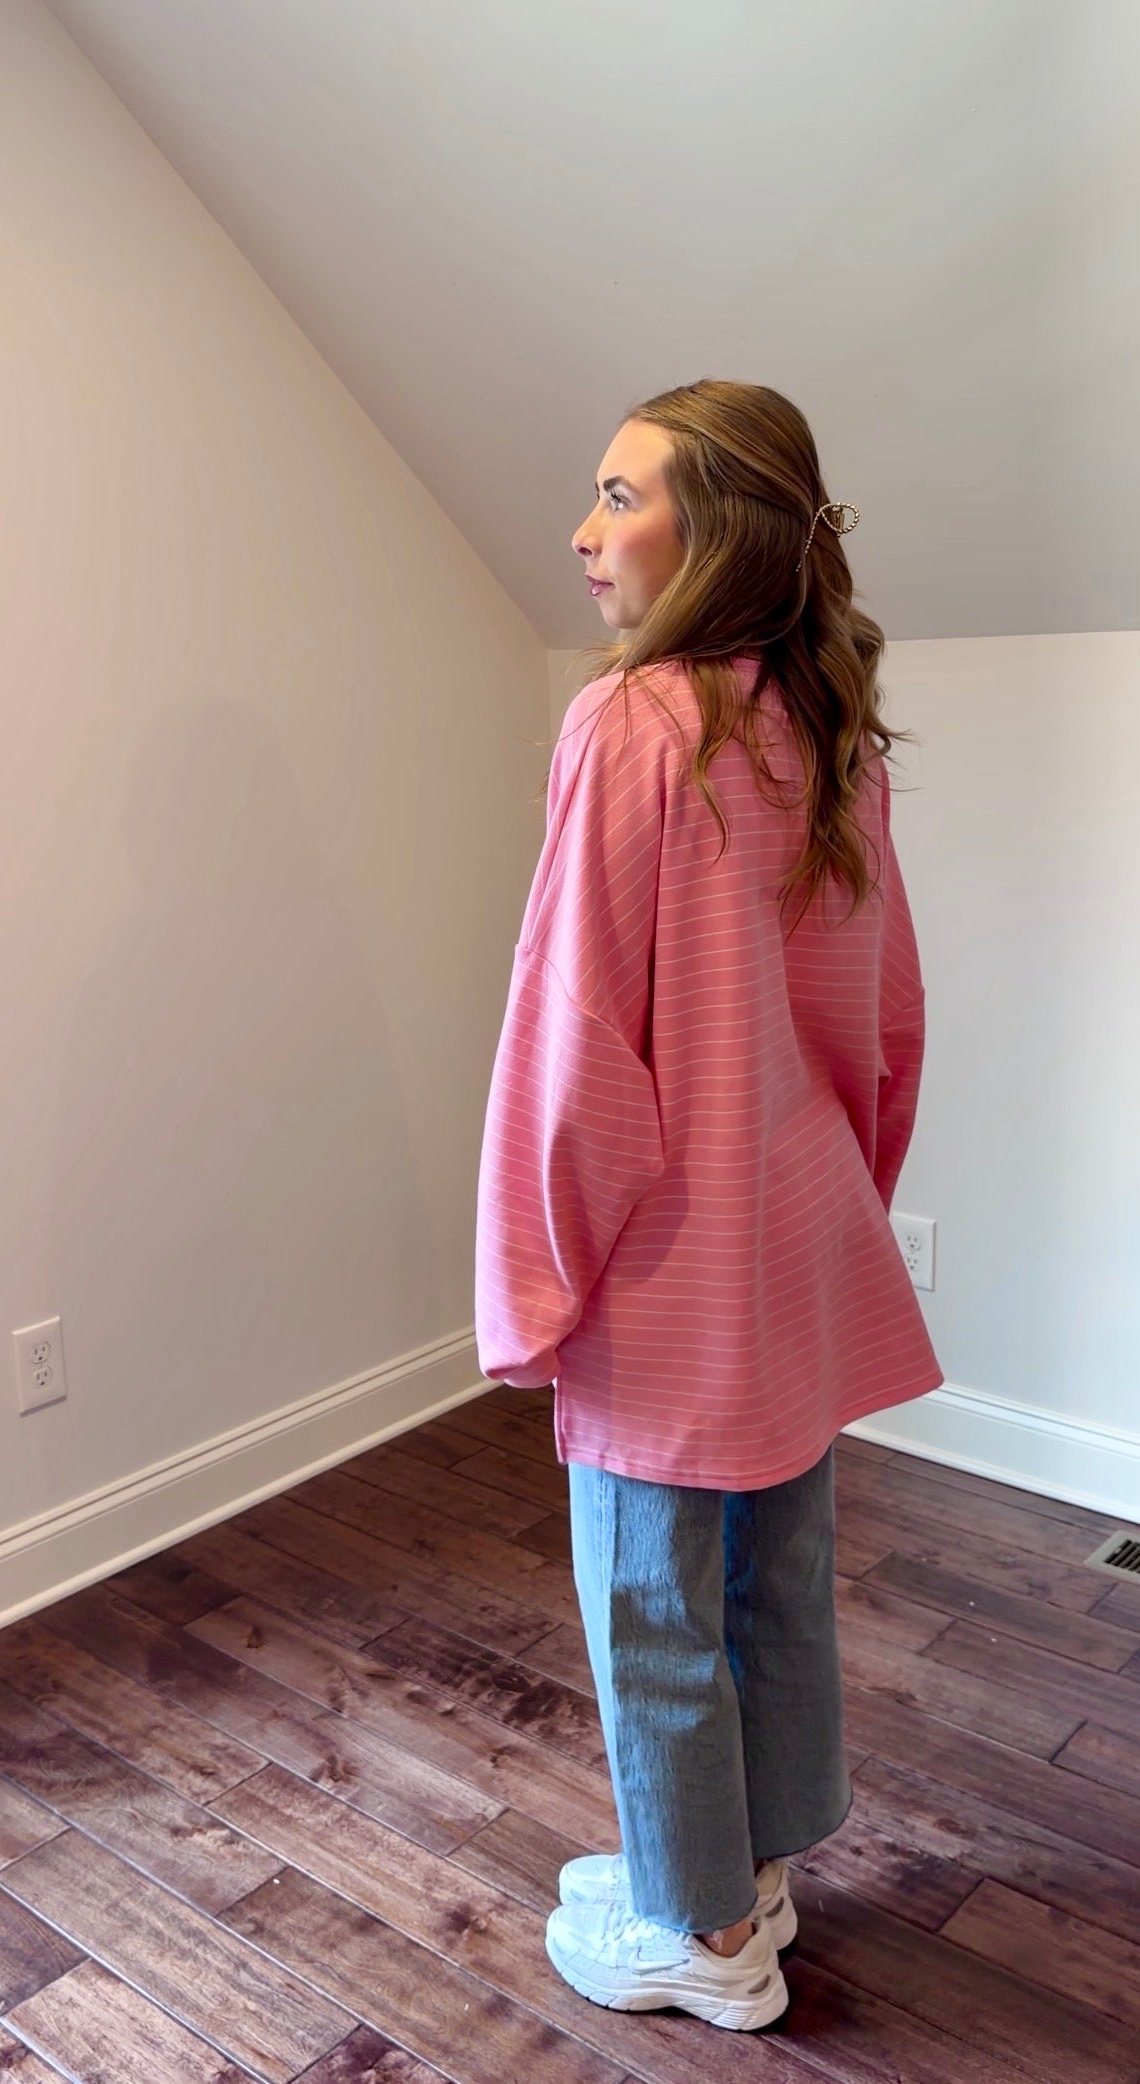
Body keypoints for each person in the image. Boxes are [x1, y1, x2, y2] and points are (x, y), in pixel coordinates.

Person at [474, 380, 943, 2034]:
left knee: (652, 1595)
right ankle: (749, 1863)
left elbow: (571, 1038)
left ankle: (698, 1934)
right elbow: (884, 1020)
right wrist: (838, 1209)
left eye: (619, 497)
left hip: (669, 1257)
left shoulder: (631, 723)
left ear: (717, 527)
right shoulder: (819, 723)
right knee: (773, 1569)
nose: (585, 534)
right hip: (797, 1230)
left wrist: (534, 1276)